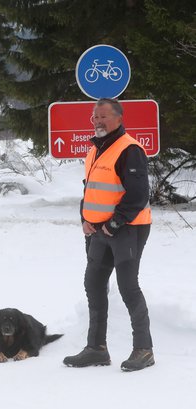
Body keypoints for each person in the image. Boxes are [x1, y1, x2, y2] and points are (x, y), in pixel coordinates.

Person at [63, 98, 154, 372]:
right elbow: (89, 189)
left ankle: (144, 349)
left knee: (128, 287)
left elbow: (138, 195)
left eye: (103, 116)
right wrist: (85, 219)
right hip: (97, 231)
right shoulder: (95, 150)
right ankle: (96, 349)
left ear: (118, 118)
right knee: (93, 285)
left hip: (127, 229)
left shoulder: (130, 149)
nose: (97, 121)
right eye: (94, 116)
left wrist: (112, 224)